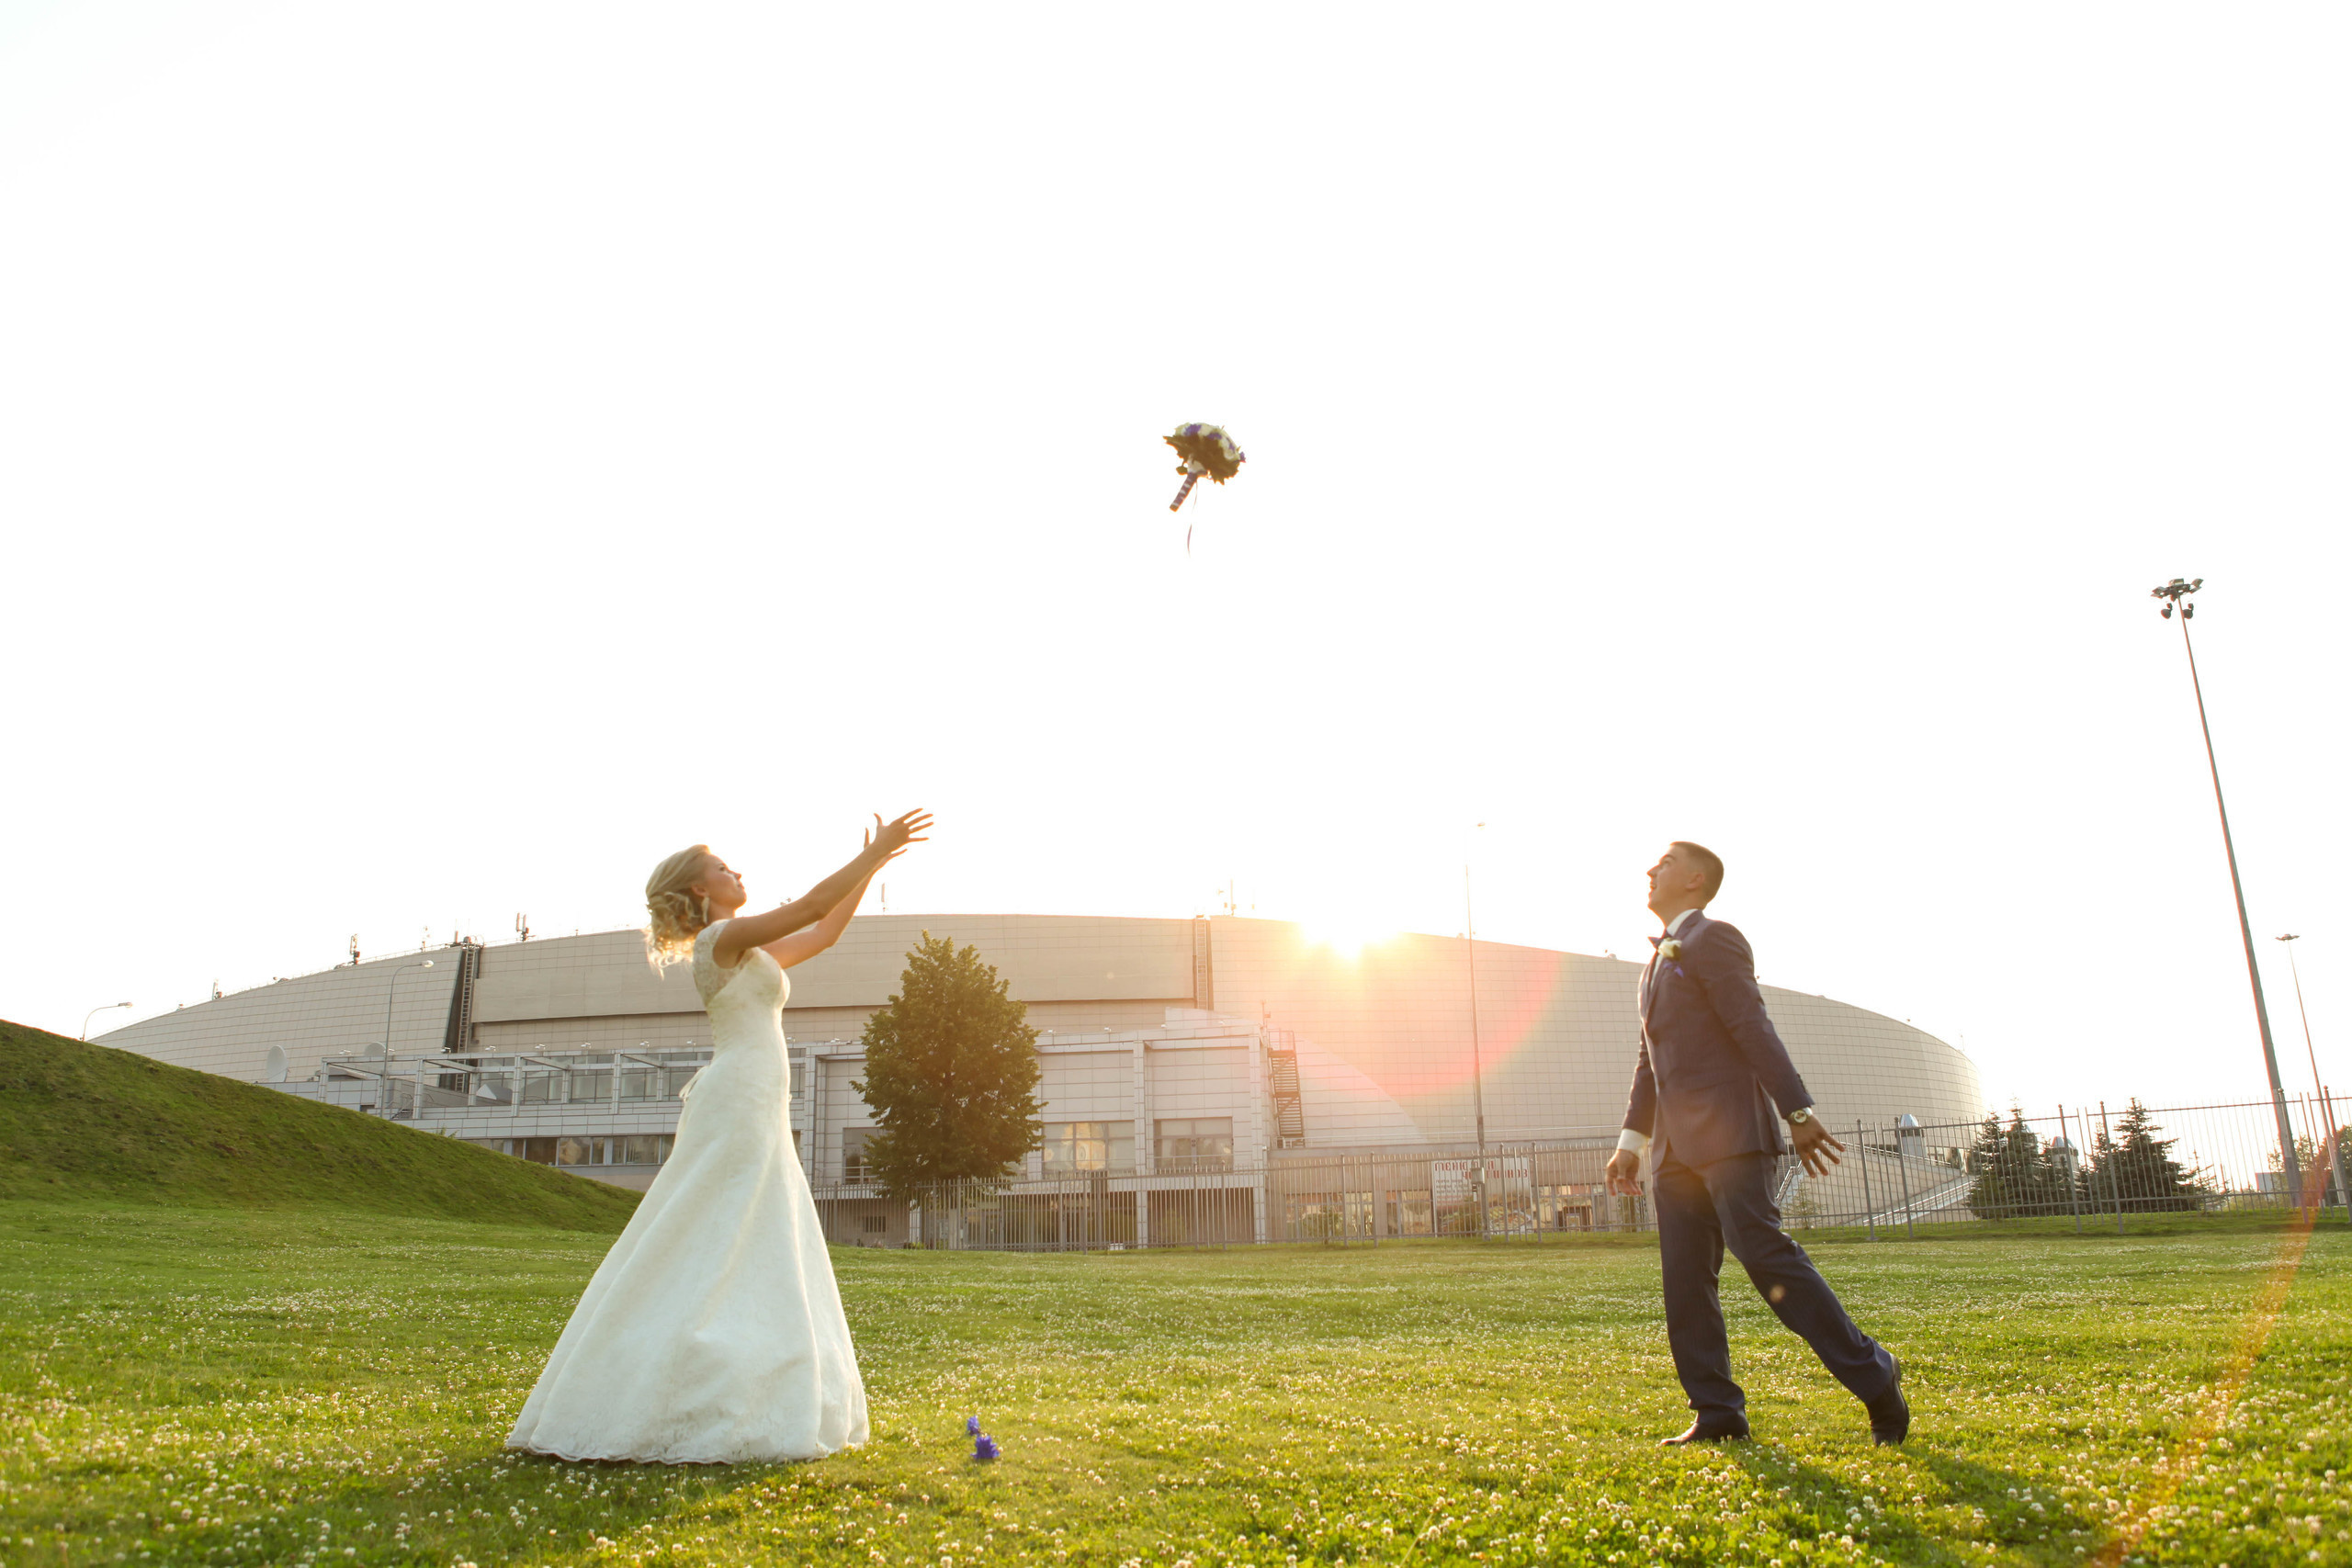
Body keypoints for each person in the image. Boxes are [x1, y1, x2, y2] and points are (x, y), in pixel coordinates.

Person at [506, 809, 932, 1463]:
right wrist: (872, 850)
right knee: (715, 1226)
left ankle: (735, 1372)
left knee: (751, 1229)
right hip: (738, 1099)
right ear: (701, 891)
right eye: (724, 867)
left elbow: (824, 930)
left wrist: (872, 864)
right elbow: (813, 902)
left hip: (758, 1099)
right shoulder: (721, 941)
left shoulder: (748, 950)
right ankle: (674, 1375)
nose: (738, 871)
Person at [1605, 840, 1909, 1446]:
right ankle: (1717, 1411)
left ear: (1694, 880)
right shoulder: (1653, 965)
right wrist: (1632, 1140)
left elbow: (1751, 1024)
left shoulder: (1716, 939)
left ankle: (1875, 1375)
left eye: (1663, 862)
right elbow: (1650, 1062)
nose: (1649, 869)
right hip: (1673, 1153)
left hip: (1732, 1137)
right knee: (1685, 1281)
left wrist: (1796, 1109)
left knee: (1766, 1256)